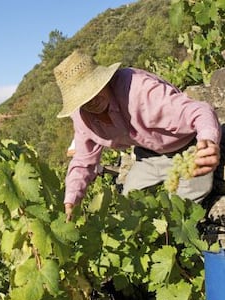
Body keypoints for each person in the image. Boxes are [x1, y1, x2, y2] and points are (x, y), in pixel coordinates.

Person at [53, 49, 221, 221]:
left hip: (187, 147)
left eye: (92, 91)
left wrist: (207, 141)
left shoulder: (141, 91)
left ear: (103, 81)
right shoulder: (82, 117)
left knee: (181, 210)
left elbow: (200, 111)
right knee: (127, 206)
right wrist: (71, 201)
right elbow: (82, 161)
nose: (91, 101)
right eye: (83, 99)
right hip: (148, 155)